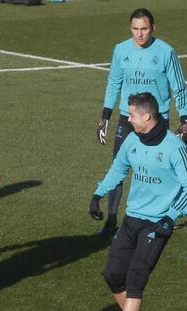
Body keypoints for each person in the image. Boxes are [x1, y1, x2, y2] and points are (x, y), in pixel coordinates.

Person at [89, 92, 187, 311]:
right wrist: (98, 195)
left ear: (147, 118)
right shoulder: (132, 140)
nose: (128, 119)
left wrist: (171, 218)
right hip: (131, 219)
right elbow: (118, 169)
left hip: (158, 224)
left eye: (132, 115)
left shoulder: (175, 148)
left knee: (135, 281)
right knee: (113, 275)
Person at [96, 8, 187, 236]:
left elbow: (179, 87)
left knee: (159, 173)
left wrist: (185, 119)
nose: (139, 34)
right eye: (135, 29)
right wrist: (105, 116)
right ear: (130, 28)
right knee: (119, 168)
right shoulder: (120, 50)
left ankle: (165, 216)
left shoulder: (166, 52)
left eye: (144, 29)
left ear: (153, 28)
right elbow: (113, 82)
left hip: (157, 123)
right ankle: (111, 220)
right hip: (128, 120)